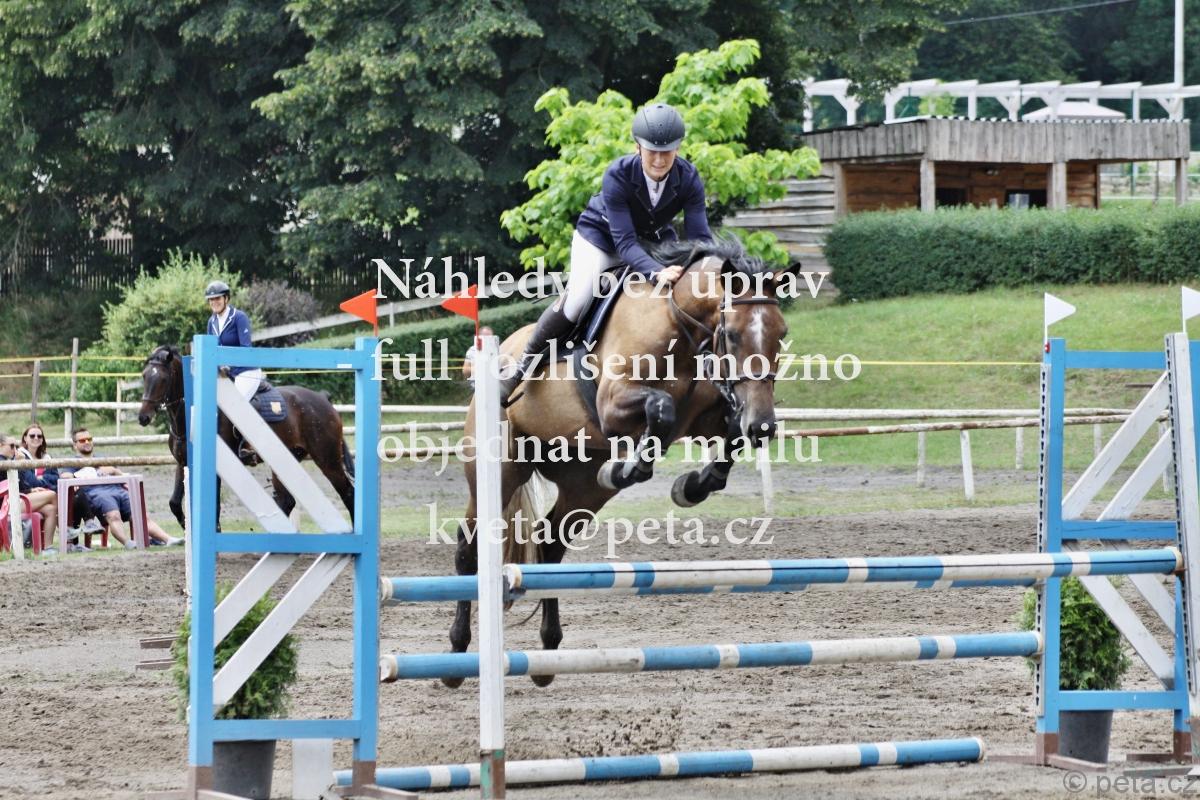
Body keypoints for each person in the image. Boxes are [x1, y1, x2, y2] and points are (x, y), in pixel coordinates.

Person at [498, 102, 713, 402]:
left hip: (653, 242)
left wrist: (710, 272)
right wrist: (656, 272)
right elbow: (624, 244)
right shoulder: (618, 174)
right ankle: (521, 367)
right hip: (601, 239)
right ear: (637, 147)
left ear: (677, 149)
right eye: (652, 151)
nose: (659, 159)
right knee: (578, 299)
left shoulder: (688, 177)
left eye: (667, 152)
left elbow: (700, 237)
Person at [59, 427, 182, 549]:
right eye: (82, 440)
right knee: (114, 515)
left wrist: (113, 470)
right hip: (97, 495)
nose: (87, 442)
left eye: (89, 439)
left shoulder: (103, 458)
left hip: (118, 490)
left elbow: (122, 475)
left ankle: (168, 539)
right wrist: (82, 474)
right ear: (75, 445)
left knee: (141, 516)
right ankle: (128, 543)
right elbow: (64, 476)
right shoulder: (73, 462)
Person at [204, 280, 264, 401]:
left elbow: (246, 348)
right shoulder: (211, 322)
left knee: (234, 404)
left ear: (226, 298)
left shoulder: (239, 317)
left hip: (246, 372)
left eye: (218, 298)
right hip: (226, 374)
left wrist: (228, 365)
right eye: (211, 299)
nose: (214, 302)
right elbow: (211, 351)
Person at [1, 430, 59, 549]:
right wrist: (20, 463)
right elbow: (12, 486)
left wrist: (30, 490)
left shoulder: (7, 461)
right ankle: (65, 530)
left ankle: (48, 547)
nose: (15, 450)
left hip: (12, 500)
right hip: (5, 505)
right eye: (11, 446)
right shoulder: (3, 462)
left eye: (16, 446)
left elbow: (19, 485)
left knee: (50, 509)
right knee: (52, 494)